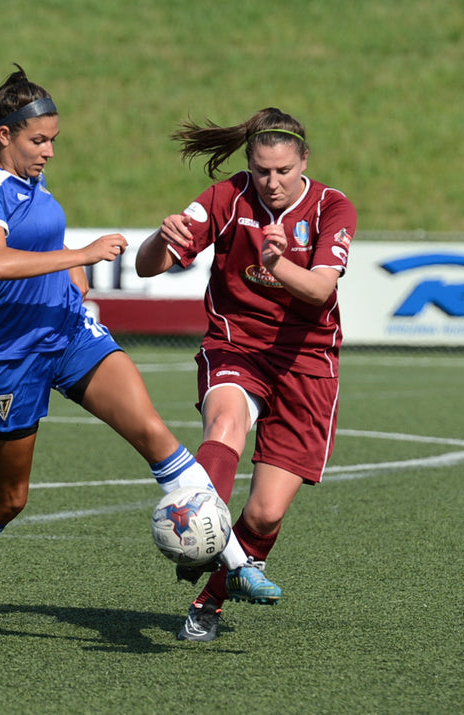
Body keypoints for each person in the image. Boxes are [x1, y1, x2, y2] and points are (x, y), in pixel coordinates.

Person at [0, 65, 269, 635]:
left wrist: (73, 275)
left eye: (54, 139)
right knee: (9, 498)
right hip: (8, 354)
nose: (50, 151)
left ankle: (238, 566)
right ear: (5, 136)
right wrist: (81, 253)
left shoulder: (33, 182)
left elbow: (40, 240)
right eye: (39, 140)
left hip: (69, 332)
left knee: (155, 435)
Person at [136, 107, 357, 641]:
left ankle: (208, 602)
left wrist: (278, 263)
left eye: (283, 171)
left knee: (261, 515)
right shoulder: (226, 198)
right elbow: (148, 266)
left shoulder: (332, 207)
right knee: (225, 427)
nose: (272, 182)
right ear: (249, 165)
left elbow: (321, 290)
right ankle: (201, 536)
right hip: (237, 346)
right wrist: (158, 239)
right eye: (262, 171)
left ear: (304, 161)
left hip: (308, 362)